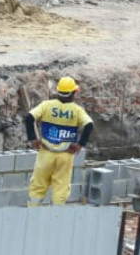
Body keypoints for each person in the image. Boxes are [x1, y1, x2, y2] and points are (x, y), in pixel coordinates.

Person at [24, 76, 95, 206]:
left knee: (38, 186)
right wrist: (80, 144)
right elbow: (89, 125)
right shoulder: (77, 110)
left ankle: (32, 214)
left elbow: (29, 117)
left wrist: (33, 139)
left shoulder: (46, 106)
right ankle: (56, 218)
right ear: (73, 93)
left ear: (58, 92)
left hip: (46, 153)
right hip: (65, 155)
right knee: (60, 189)